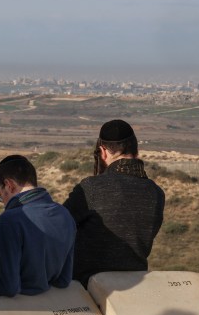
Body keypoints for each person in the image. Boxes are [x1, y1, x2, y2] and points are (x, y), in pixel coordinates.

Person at [63, 119, 165, 287]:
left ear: (103, 151)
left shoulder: (92, 187)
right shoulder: (156, 192)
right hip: (135, 283)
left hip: (86, 287)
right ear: (135, 148)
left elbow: (60, 225)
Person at [0, 155, 75, 298]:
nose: (3, 202)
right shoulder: (65, 214)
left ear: (9, 185)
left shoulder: (10, 220)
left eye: (1, 195)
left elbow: (8, 287)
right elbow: (64, 280)